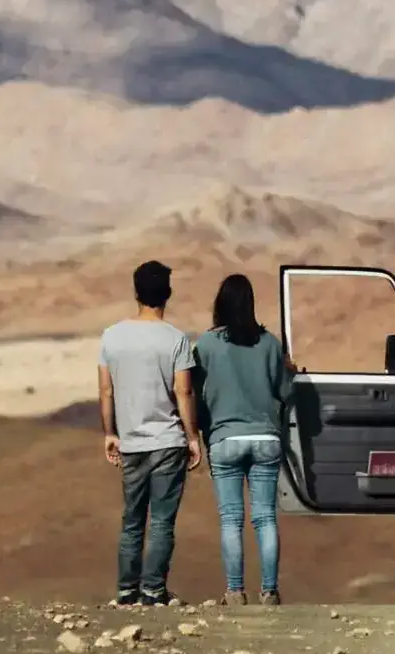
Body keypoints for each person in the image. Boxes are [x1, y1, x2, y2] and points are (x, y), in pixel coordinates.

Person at [98, 259, 202, 607]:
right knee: (161, 521)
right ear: (167, 295)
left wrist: (110, 432)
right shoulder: (176, 339)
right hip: (168, 441)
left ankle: (126, 590)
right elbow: (183, 393)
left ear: (136, 292)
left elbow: (106, 391)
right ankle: (153, 590)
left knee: (131, 518)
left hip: (131, 442)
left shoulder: (111, 337)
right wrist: (192, 436)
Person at [193, 273, 294, 607]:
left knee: (231, 519)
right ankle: (269, 591)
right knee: (265, 517)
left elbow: (194, 394)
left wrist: (200, 433)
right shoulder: (270, 344)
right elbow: (285, 393)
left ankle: (235, 591)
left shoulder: (205, 345)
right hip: (265, 437)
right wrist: (289, 371)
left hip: (224, 439)